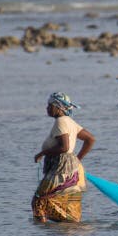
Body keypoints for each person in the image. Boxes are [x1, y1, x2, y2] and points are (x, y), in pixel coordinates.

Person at [32, 92, 95, 222]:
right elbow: (90, 139)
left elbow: (64, 147)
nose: (47, 108)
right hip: (71, 167)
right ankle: (68, 232)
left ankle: (43, 234)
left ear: (58, 107)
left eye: (50, 105)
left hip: (61, 168)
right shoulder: (69, 122)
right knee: (67, 205)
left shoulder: (61, 121)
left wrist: (42, 153)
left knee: (39, 201)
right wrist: (77, 159)